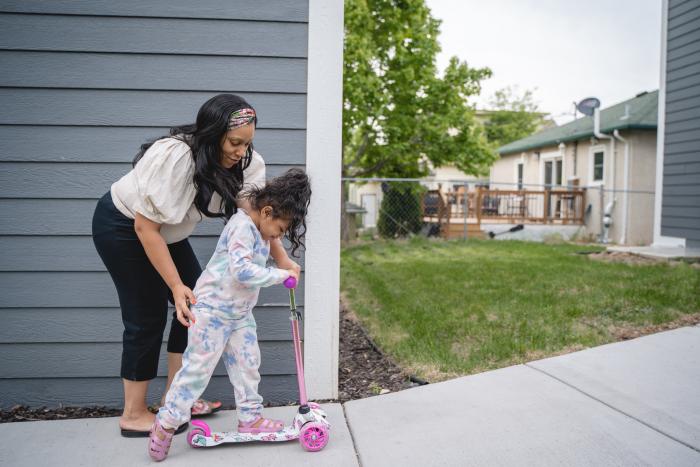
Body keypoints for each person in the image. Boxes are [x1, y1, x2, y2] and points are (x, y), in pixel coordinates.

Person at [92, 94, 301, 437]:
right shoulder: (175, 156)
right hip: (124, 227)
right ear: (213, 133)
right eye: (234, 142)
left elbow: (257, 215)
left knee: (197, 304)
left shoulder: (246, 163)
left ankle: (176, 401)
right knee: (146, 315)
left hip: (167, 235)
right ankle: (133, 413)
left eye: (247, 143)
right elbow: (145, 228)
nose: (240, 151)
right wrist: (175, 286)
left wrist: (280, 257)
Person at [147, 169, 311, 461]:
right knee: (196, 372)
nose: (279, 236)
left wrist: (285, 266)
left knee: (249, 365)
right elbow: (242, 271)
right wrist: (279, 274)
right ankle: (166, 423)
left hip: (240, 315)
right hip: (211, 312)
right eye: (281, 229)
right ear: (267, 211)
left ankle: (250, 418)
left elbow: (265, 258)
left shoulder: (261, 230)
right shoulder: (241, 227)